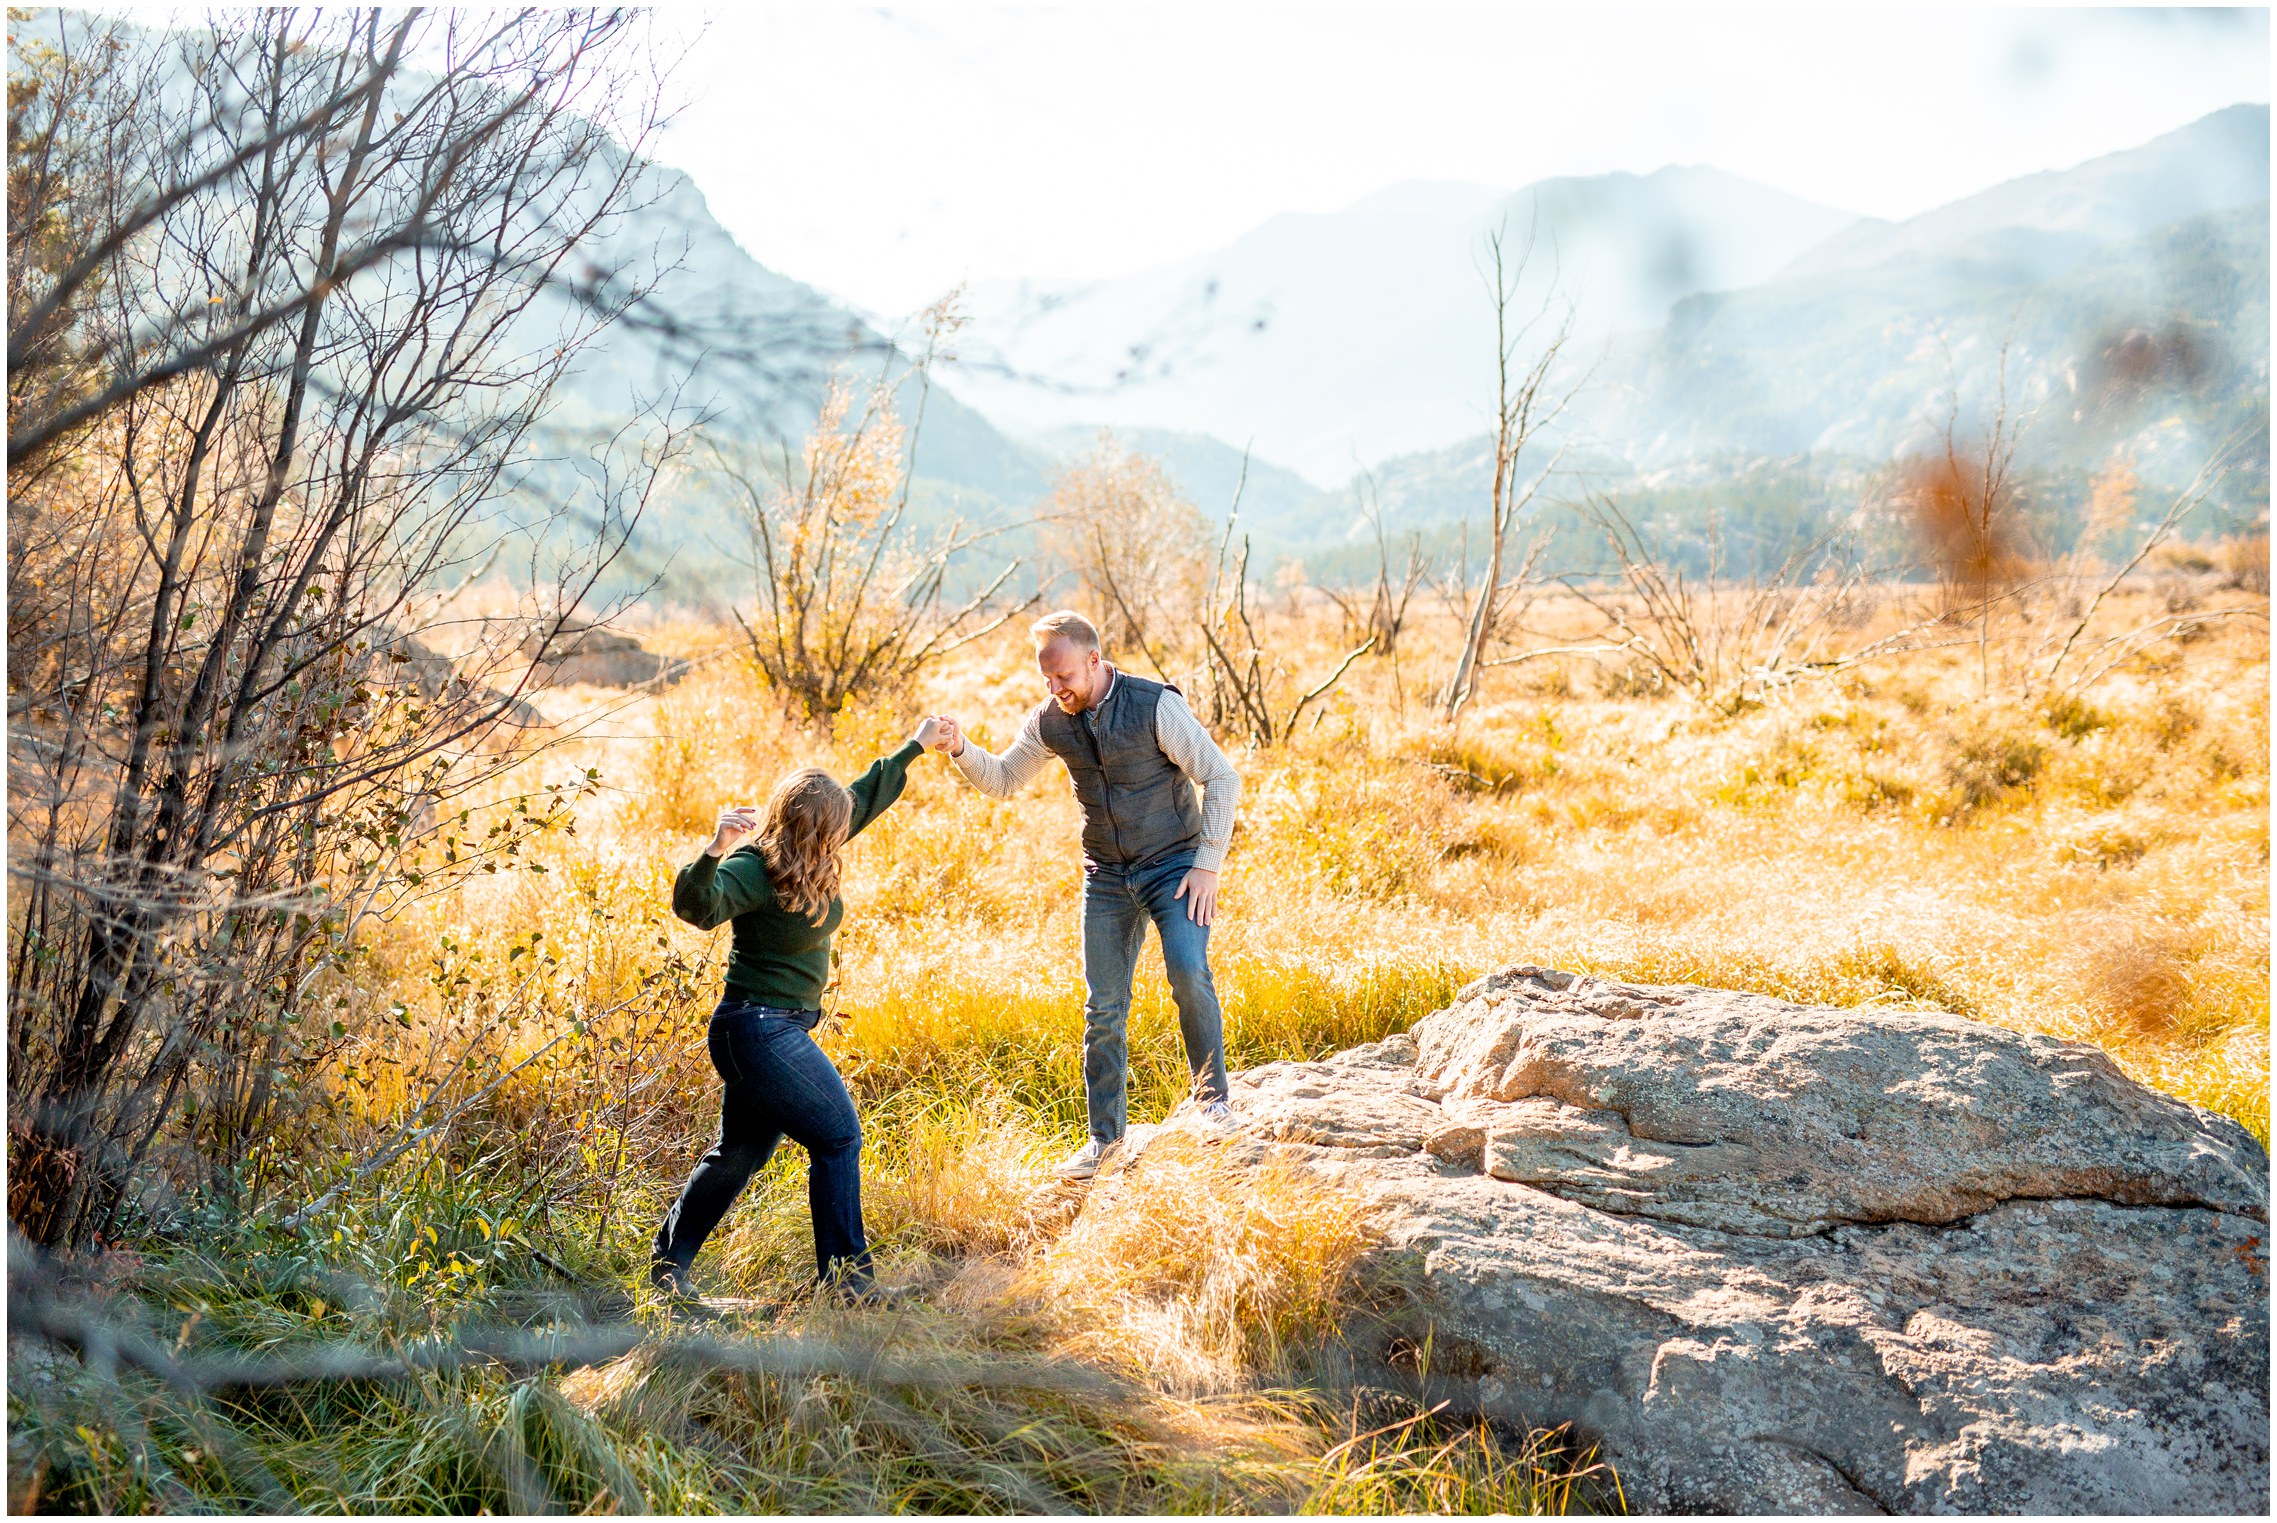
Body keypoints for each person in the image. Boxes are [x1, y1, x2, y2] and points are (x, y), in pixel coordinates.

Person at [928, 611, 1242, 1180]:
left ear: (1095, 660)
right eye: (1046, 679)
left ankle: (1213, 1104)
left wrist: (1207, 867)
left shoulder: (1153, 706)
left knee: (1189, 974)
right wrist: (960, 748)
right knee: (1103, 1009)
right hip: (1106, 875)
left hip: (1174, 865)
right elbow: (1002, 779)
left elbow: (1221, 777)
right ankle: (1106, 1143)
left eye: (1064, 675)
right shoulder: (1051, 720)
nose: (1055, 688)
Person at [650, 718, 941, 1303]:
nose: (845, 830)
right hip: (756, 1029)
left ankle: (667, 1268)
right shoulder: (754, 869)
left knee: (741, 1152)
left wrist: (916, 745)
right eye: (836, 826)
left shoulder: (813, 850)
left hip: (768, 1029)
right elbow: (696, 906)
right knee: (838, 1137)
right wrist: (713, 849)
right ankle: (849, 1286)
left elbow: (860, 798)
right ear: (814, 829)